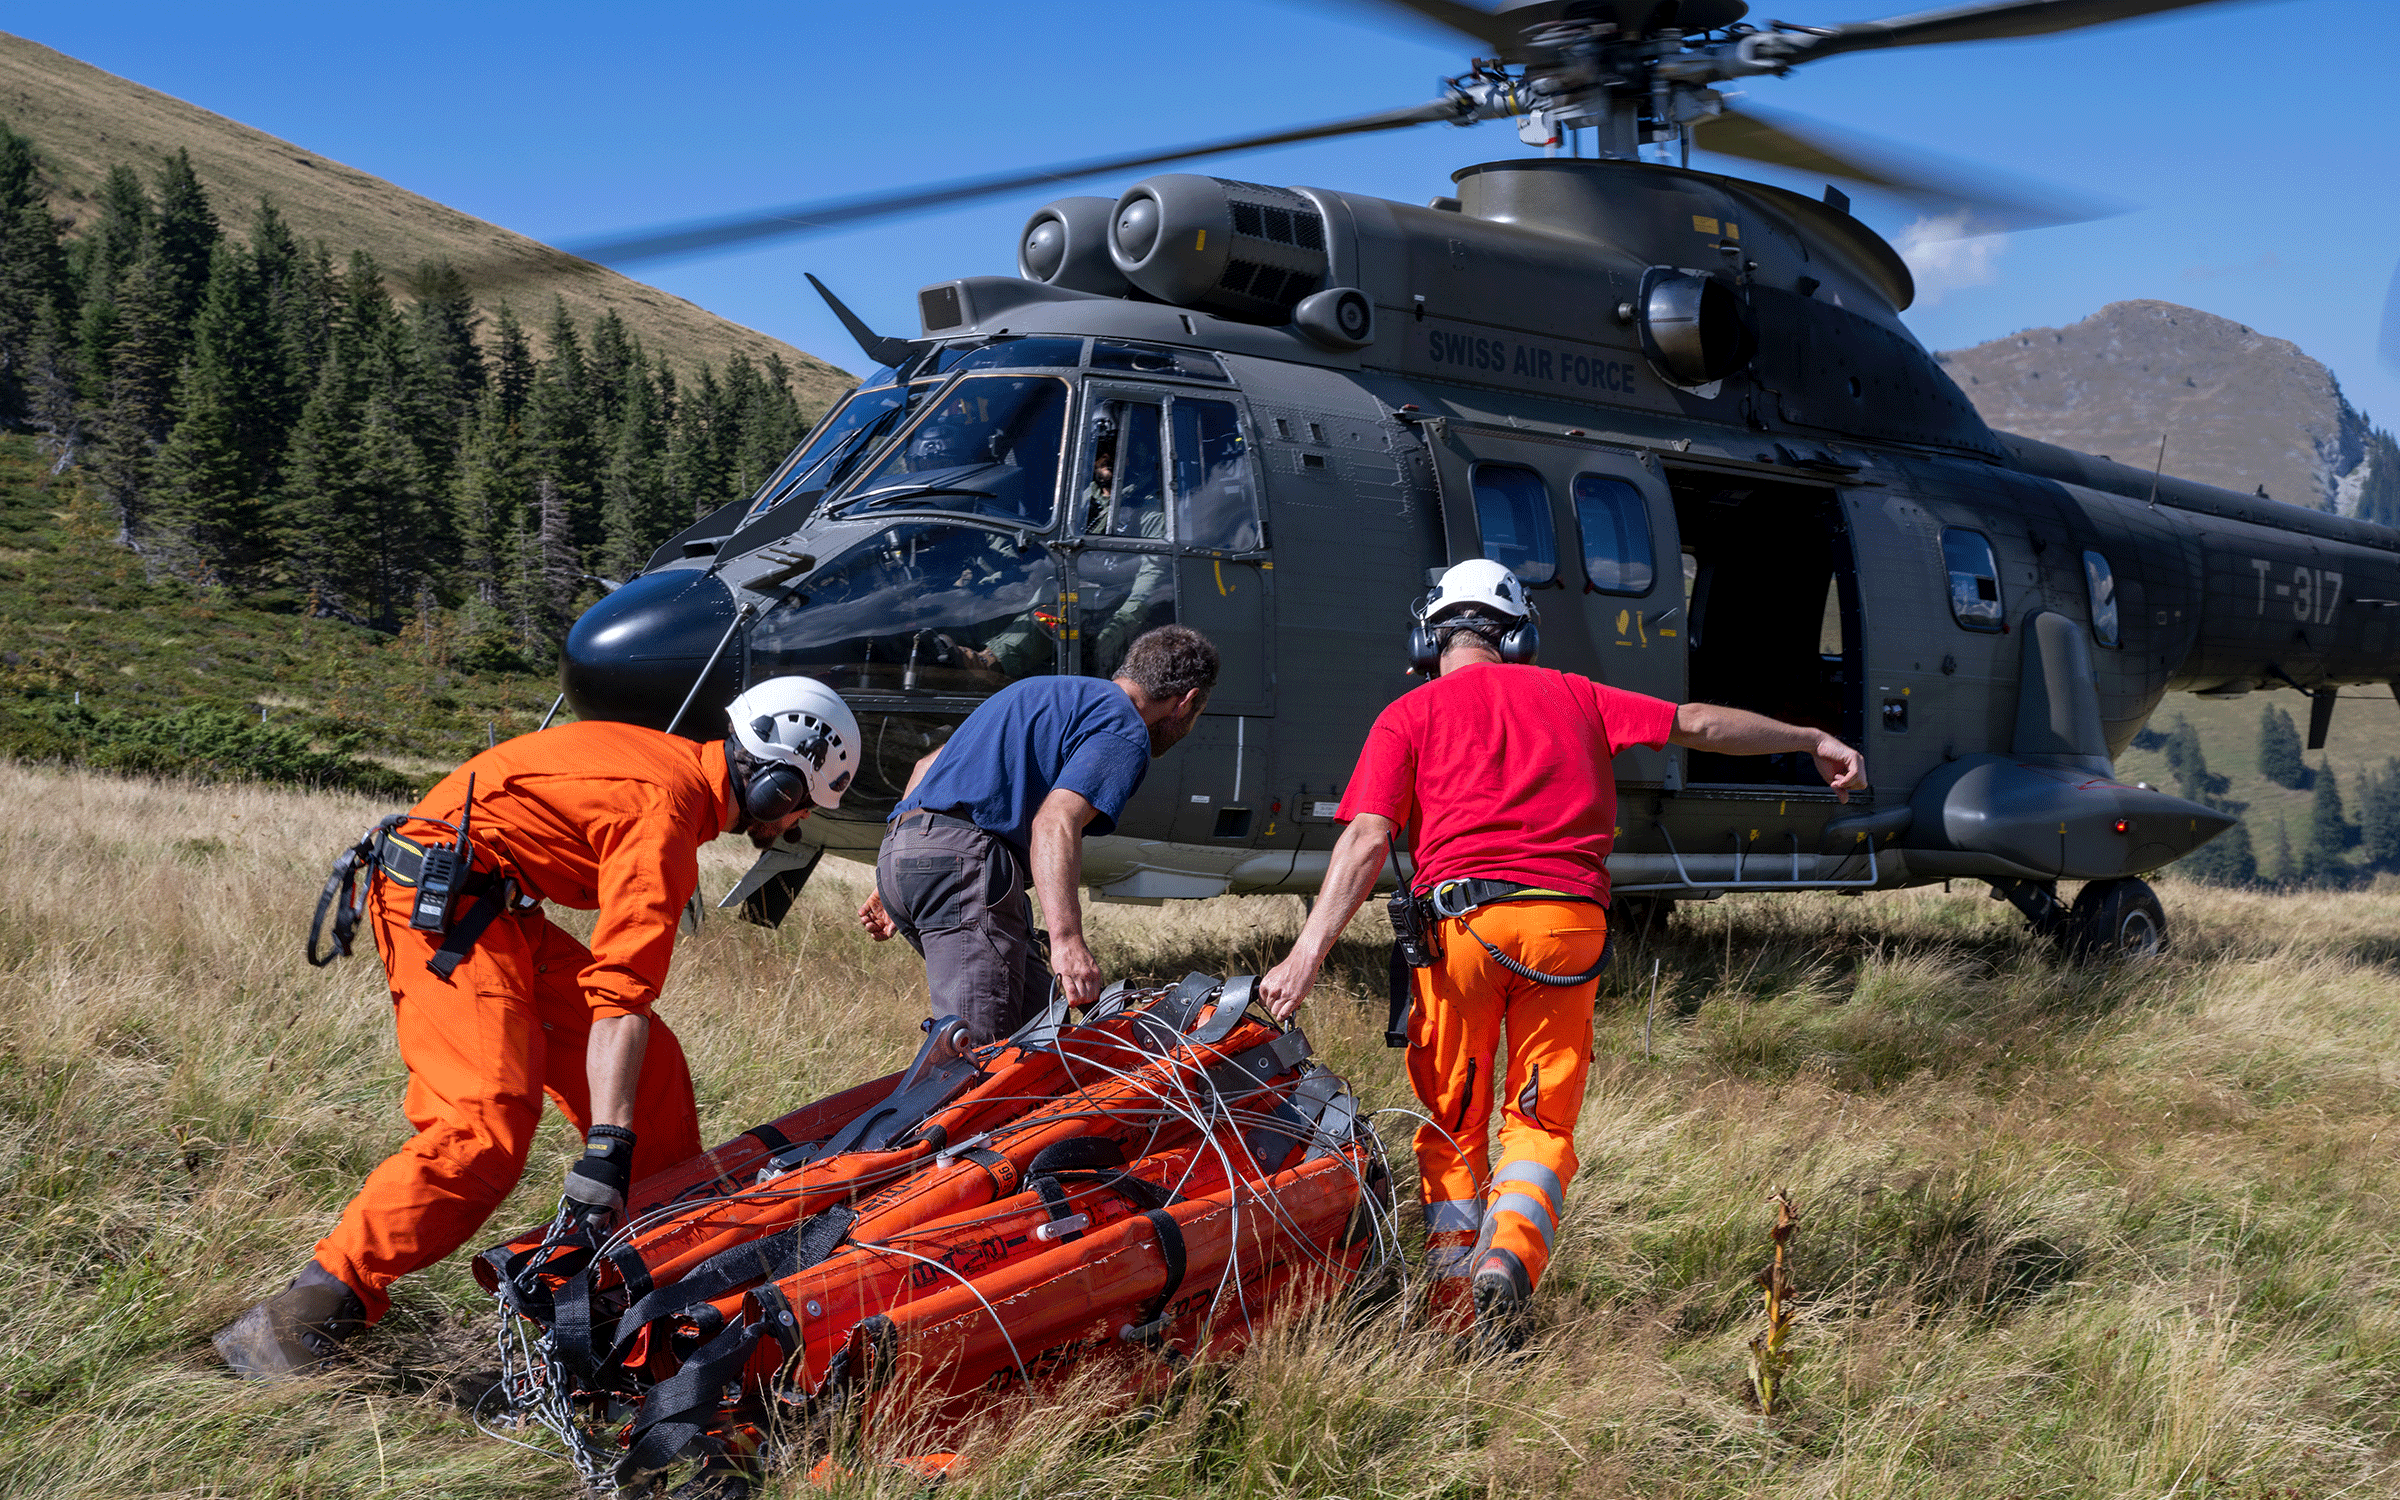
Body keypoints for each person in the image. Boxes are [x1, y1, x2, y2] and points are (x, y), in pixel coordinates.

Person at [1258, 560, 1866, 1346]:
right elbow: (1698, 724)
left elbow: (1368, 836)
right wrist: (1812, 738)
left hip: (1460, 936)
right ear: (1519, 638)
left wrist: (1307, 955)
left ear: (1428, 639)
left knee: (1453, 1124)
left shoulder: (1407, 715)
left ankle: (1453, 1312)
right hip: (1566, 929)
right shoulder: (1577, 695)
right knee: (1541, 1121)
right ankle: (1507, 1260)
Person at [214, 677, 862, 1378]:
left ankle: (640, 1279)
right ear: (771, 781)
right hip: (444, 904)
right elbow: (621, 996)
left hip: (496, 905)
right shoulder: (665, 812)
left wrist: (617, 1147)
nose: (792, 825)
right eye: (798, 804)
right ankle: (301, 1315)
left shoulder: (675, 779)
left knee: (655, 1072)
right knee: (483, 1128)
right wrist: (608, 1152)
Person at [859, 625, 1218, 1046]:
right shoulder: (1124, 726)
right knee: (984, 1062)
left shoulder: (1039, 692)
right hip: (962, 866)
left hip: (903, 850)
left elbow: (925, 768)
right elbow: (1054, 821)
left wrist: (898, 877)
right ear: (1186, 702)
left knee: (1043, 1041)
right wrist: (1067, 943)